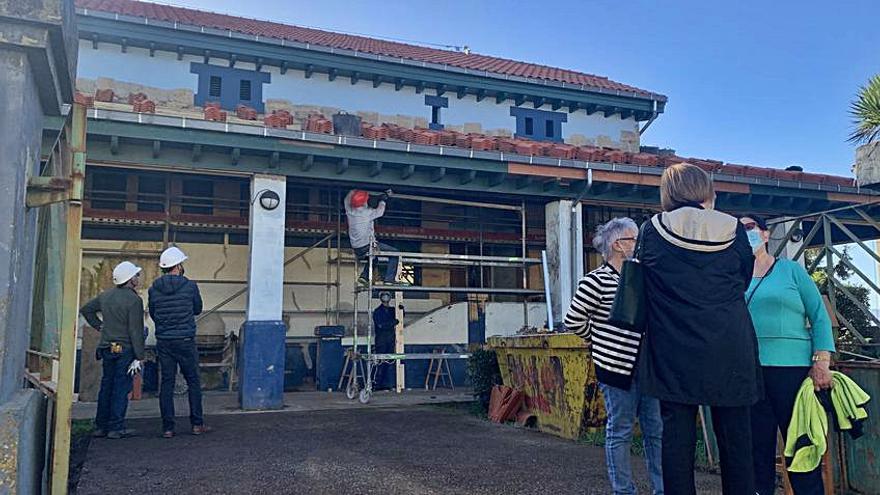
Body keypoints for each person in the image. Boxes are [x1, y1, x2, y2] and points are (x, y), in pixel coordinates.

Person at [638, 163, 761, 494]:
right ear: (706, 190)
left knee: (676, 439)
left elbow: (645, 281)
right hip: (729, 343)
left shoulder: (651, 229)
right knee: (737, 439)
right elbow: (742, 279)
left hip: (673, 345)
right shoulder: (733, 228)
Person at [564, 218, 663, 495]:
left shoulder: (641, 277)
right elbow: (573, 319)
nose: (639, 245)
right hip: (616, 369)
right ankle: (624, 490)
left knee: (655, 431)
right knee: (620, 431)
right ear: (619, 245)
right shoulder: (595, 280)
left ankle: (662, 488)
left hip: (646, 367)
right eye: (634, 239)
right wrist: (598, 341)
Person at [741, 214, 834, 495]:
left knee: (801, 446)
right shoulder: (732, 276)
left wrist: (822, 361)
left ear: (766, 234)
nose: (745, 234)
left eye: (750, 228)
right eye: (739, 230)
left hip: (792, 371)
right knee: (756, 450)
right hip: (750, 371)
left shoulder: (791, 271)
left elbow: (819, 316)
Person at [148, 246, 212, 438]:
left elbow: (153, 313)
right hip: (185, 339)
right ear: (178, 266)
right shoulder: (190, 286)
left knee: (167, 384)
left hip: (164, 341)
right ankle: (197, 424)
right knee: (193, 381)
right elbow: (197, 309)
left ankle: (168, 428)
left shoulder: (153, 289)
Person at [80, 261, 146, 439]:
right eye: (135, 276)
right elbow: (136, 330)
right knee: (121, 387)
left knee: (106, 386)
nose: (137, 278)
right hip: (125, 350)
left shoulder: (105, 296)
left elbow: (86, 310)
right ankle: (116, 427)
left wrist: (99, 326)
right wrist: (140, 356)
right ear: (129, 279)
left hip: (107, 348)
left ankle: (100, 426)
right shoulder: (134, 300)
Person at [345, 188, 400, 285]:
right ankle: (389, 280)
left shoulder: (350, 211)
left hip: (356, 248)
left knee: (374, 258)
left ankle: (364, 277)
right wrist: (383, 200)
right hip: (367, 245)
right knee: (394, 253)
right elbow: (380, 211)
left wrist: (354, 191)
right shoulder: (367, 213)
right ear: (364, 201)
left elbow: (347, 198)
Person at [372, 291, 400, 391]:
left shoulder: (392, 310)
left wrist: (401, 308)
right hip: (381, 341)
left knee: (389, 362)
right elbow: (381, 325)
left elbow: (400, 315)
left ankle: (388, 384)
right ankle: (378, 384)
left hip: (390, 340)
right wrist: (393, 322)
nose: (386, 298)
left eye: (387, 295)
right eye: (384, 296)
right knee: (380, 362)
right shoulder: (377, 311)